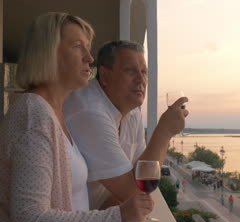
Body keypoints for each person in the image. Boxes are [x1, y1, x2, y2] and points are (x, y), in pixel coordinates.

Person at [0, 12, 153, 222]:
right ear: (48, 53)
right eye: (77, 46)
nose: (89, 58)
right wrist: (118, 217)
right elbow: (30, 220)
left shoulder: (53, 111)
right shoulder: (33, 113)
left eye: (88, 48)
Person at [64, 40, 188, 210]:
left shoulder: (131, 112)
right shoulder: (90, 111)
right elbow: (134, 192)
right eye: (130, 71)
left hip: (97, 221)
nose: (140, 79)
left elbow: (141, 172)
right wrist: (164, 132)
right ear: (106, 76)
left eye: (144, 72)